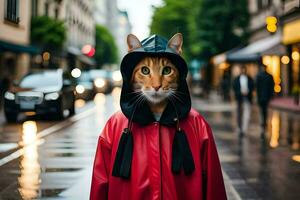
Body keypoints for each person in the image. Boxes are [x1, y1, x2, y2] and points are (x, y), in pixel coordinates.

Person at [90, 33, 227, 199]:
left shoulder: (197, 124)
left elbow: (214, 187)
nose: (156, 84)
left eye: (167, 70)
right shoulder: (115, 125)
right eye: (145, 71)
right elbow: (99, 187)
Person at [232, 66, 254, 137]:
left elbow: (252, 86)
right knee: (239, 113)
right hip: (239, 97)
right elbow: (234, 87)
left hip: (247, 97)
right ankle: (239, 127)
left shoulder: (249, 78)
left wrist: (248, 92)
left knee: (247, 113)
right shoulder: (237, 79)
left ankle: (244, 128)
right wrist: (239, 92)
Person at [256, 64, 274, 138]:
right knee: (264, 110)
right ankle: (264, 121)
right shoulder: (266, 76)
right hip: (264, 96)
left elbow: (271, 86)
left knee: (263, 110)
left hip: (264, 96)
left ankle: (264, 121)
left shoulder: (261, 76)